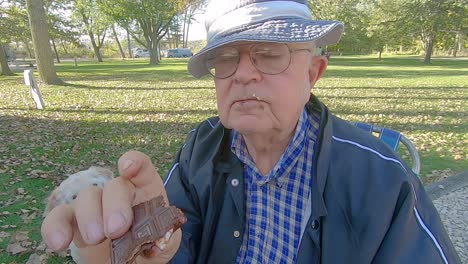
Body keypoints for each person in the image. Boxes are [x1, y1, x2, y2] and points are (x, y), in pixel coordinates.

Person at [41, 0, 461, 263]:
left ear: (313, 73)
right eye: (225, 59)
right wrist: (144, 252)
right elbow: (177, 245)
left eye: (269, 54)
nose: (242, 74)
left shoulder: (383, 179)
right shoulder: (200, 147)